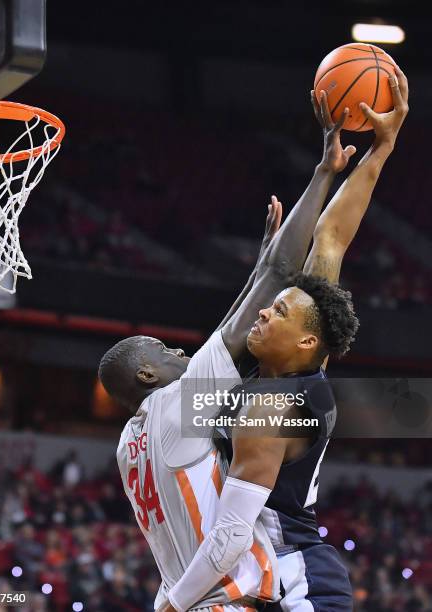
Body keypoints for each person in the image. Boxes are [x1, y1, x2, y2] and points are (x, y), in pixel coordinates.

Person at [163, 66, 409, 612]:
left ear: (306, 345)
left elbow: (229, 537)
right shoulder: (284, 371)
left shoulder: (276, 404)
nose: (264, 313)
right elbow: (333, 237)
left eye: (277, 312)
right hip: (268, 573)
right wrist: (379, 150)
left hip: (301, 583)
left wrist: (168, 604)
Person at [99, 95, 356, 611]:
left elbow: (248, 307)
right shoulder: (181, 405)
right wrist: (323, 174)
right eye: (166, 350)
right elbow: (281, 277)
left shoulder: (131, 446)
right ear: (148, 374)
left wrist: (254, 278)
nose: (180, 352)